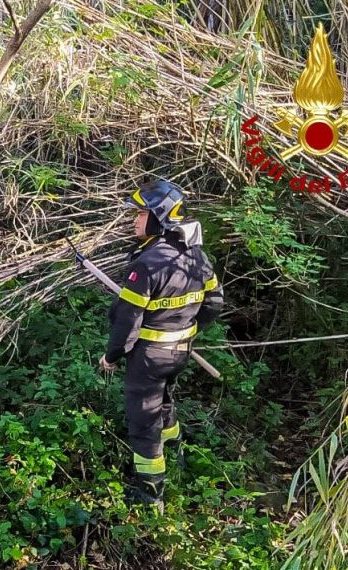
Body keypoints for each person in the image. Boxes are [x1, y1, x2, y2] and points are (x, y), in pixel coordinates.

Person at [98, 179, 224, 509]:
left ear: (160, 217)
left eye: (141, 214)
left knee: (142, 424)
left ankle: (150, 495)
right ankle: (177, 454)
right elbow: (214, 303)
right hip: (179, 354)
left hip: (149, 360)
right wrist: (187, 330)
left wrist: (112, 356)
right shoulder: (197, 257)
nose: (134, 220)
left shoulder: (146, 265)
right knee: (165, 404)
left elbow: (127, 322)